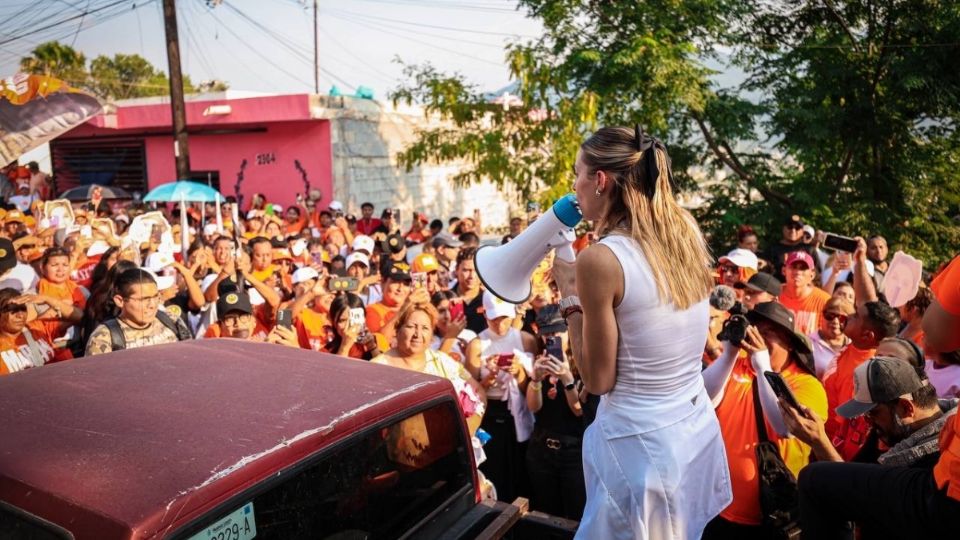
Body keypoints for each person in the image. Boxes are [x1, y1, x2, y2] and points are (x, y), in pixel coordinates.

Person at [551, 126, 731, 539]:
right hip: (690, 432)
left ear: (600, 181)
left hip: (640, 452)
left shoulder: (600, 260)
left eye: (577, 174)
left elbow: (597, 381)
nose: (573, 186)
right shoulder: (683, 233)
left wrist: (568, 295)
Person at [791, 356, 959, 540]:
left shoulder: (943, 457)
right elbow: (847, 491)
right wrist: (817, 440)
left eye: (872, 413)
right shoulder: (890, 433)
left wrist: (819, 441)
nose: (868, 422)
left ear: (905, 408)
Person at [701, 302, 827, 538]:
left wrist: (763, 367)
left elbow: (784, 427)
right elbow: (703, 399)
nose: (758, 337)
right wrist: (729, 353)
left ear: (788, 342)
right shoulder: (737, 367)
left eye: (769, 332)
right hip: (718, 508)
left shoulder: (808, 385)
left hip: (771, 518)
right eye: (755, 329)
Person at [372, 298, 486, 434]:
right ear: (397, 329)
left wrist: (469, 427)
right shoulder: (378, 368)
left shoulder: (443, 362)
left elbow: (478, 392)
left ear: (432, 334)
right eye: (411, 326)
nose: (417, 334)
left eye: (425, 328)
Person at [466, 291, 538, 503]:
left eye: (504, 317)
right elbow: (469, 393)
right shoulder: (477, 345)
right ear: (485, 315)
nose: (499, 324)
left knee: (521, 470)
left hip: (520, 410)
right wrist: (488, 379)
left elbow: (535, 385)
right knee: (496, 470)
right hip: (491, 412)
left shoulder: (525, 340)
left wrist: (519, 373)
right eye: (494, 318)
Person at [525, 304, 587, 520]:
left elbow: (579, 411)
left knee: (574, 516)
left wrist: (568, 379)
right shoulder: (539, 359)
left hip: (573, 452)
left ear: (569, 329)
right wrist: (535, 379)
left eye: (556, 332)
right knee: (545, 514)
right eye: (546, 334)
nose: (551, 338)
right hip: (541, 448)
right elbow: (534, 407)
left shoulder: (583, 362)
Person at [822, 300, 901, 461]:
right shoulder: (855, 348)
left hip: (831, 451)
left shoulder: (866, 374)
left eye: (856, 316)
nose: (849, 315)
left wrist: (821, 446)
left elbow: (844, 424)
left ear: (867, 335)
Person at [85, 269, 192, 355]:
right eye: (143, 299)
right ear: (120, 301)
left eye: (155, 297)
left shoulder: (171, 320)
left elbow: (190, 357)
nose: (152, 305)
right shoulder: (104, 337)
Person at [0, 288, 70, 375]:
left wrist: (47, 299)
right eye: (13, 310)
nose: (20, 315)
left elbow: (80, 317)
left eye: (23, 309)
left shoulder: (37, 327)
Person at [779, 251, 832, 335]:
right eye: (793, 267)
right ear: (784, 271)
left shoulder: (824, 300)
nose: (798, 272)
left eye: (803, 268)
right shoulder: (773, 294)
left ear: (812, 275)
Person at [324, 292, 380, 360]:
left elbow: (385, 369)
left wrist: (372, 347)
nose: (349, 325)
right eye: (342, 320)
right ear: (333, 322)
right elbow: (336, 370)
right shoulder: (326, 352)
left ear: (363, 318)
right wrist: (344, 346)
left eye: (353, 319)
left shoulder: (379, 341)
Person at [809, 298, 854, 380]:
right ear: (822, 316)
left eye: (842, 318)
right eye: (830, 316)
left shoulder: (853, 346)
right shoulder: (809, 343)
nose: (835, 321)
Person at [763, 215, 820, 280]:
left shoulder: (810, 250)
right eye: (790, 227)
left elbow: (817, 275)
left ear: (802, 231)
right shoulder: (772, 249)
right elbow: (765, 273)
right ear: (783, 228)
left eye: (797, 228)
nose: (793, 230)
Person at [430, 289, 474, 364]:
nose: (447, 316)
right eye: (441, 311)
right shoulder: (428, 341)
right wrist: (451, 336)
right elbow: (436, 367)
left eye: (451, 310)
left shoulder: (469, 336)